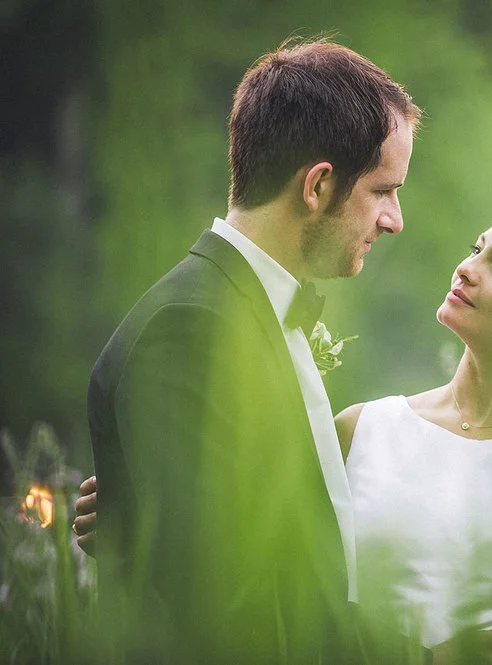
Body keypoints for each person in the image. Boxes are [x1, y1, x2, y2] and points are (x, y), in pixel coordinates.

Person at [79, 199, 492, 663]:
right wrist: (146, 511)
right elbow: (262, 571)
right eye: (478, 249)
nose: (467, 268)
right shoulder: (361, 430)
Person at [82, 37, 419, 663]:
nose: (395, 219)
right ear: (317, 186)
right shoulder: (190, 329)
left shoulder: (247, 312)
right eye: (382, 190)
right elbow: (219, 608)